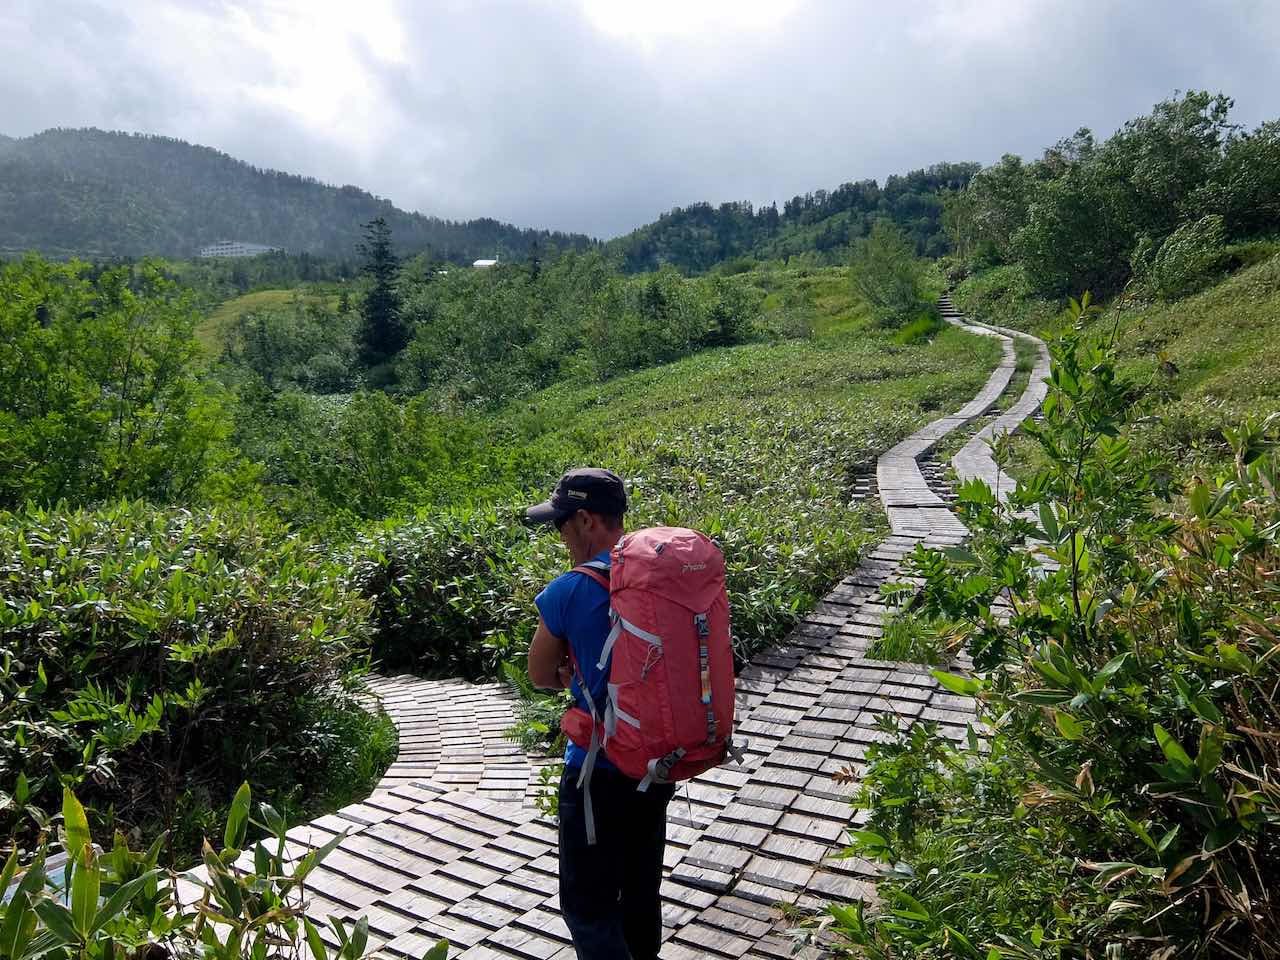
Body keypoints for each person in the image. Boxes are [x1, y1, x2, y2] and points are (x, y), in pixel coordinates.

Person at [525, 467, 675, 960]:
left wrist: (574, 671)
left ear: (586, 519)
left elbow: (539, 673)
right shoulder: (661, 575)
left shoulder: (569, 588)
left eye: (561, 523)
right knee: (639, 893)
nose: (560, 535)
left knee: (588, 907)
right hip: (657, 763)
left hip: (597, 772)